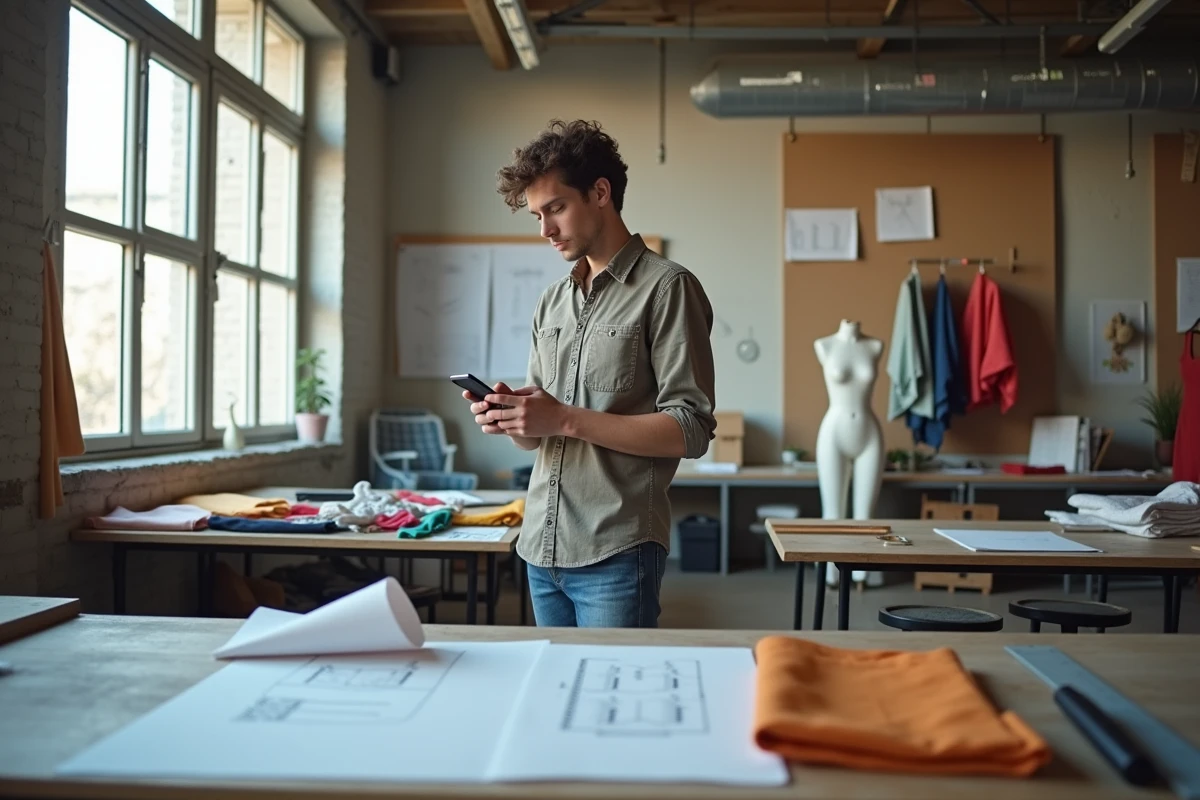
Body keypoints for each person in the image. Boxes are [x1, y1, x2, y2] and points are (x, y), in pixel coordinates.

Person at [462, 119, 716, 628]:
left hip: (616, 550)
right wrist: (513, 419)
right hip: (540, 547)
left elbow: (690, 429)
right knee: (554, 680)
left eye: (555, 208)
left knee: (613, 683)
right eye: (537, 215)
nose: (545, 230)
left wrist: (563, 418)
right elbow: (536, 440)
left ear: (600, 193)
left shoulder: (668, 288)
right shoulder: (552, 301)